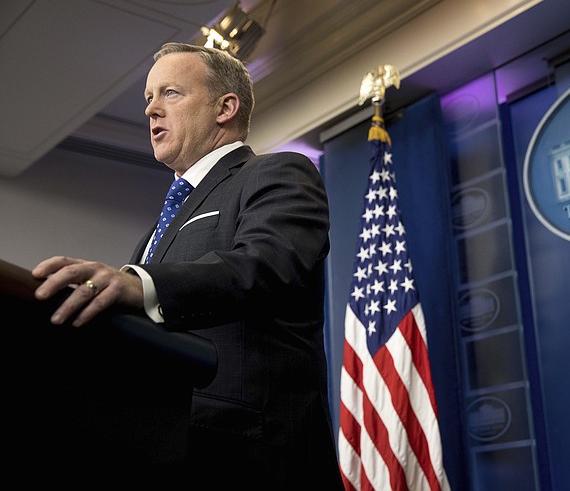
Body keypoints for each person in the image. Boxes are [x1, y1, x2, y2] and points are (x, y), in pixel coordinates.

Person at [32, 42, 344, 487]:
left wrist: (139, 285)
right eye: (148, 99)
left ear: (225, 107)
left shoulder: (278, 173)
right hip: (165, 447)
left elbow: (265, 265)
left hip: (251, 456)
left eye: (170, 93)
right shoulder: (156, 230)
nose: (151, 110)